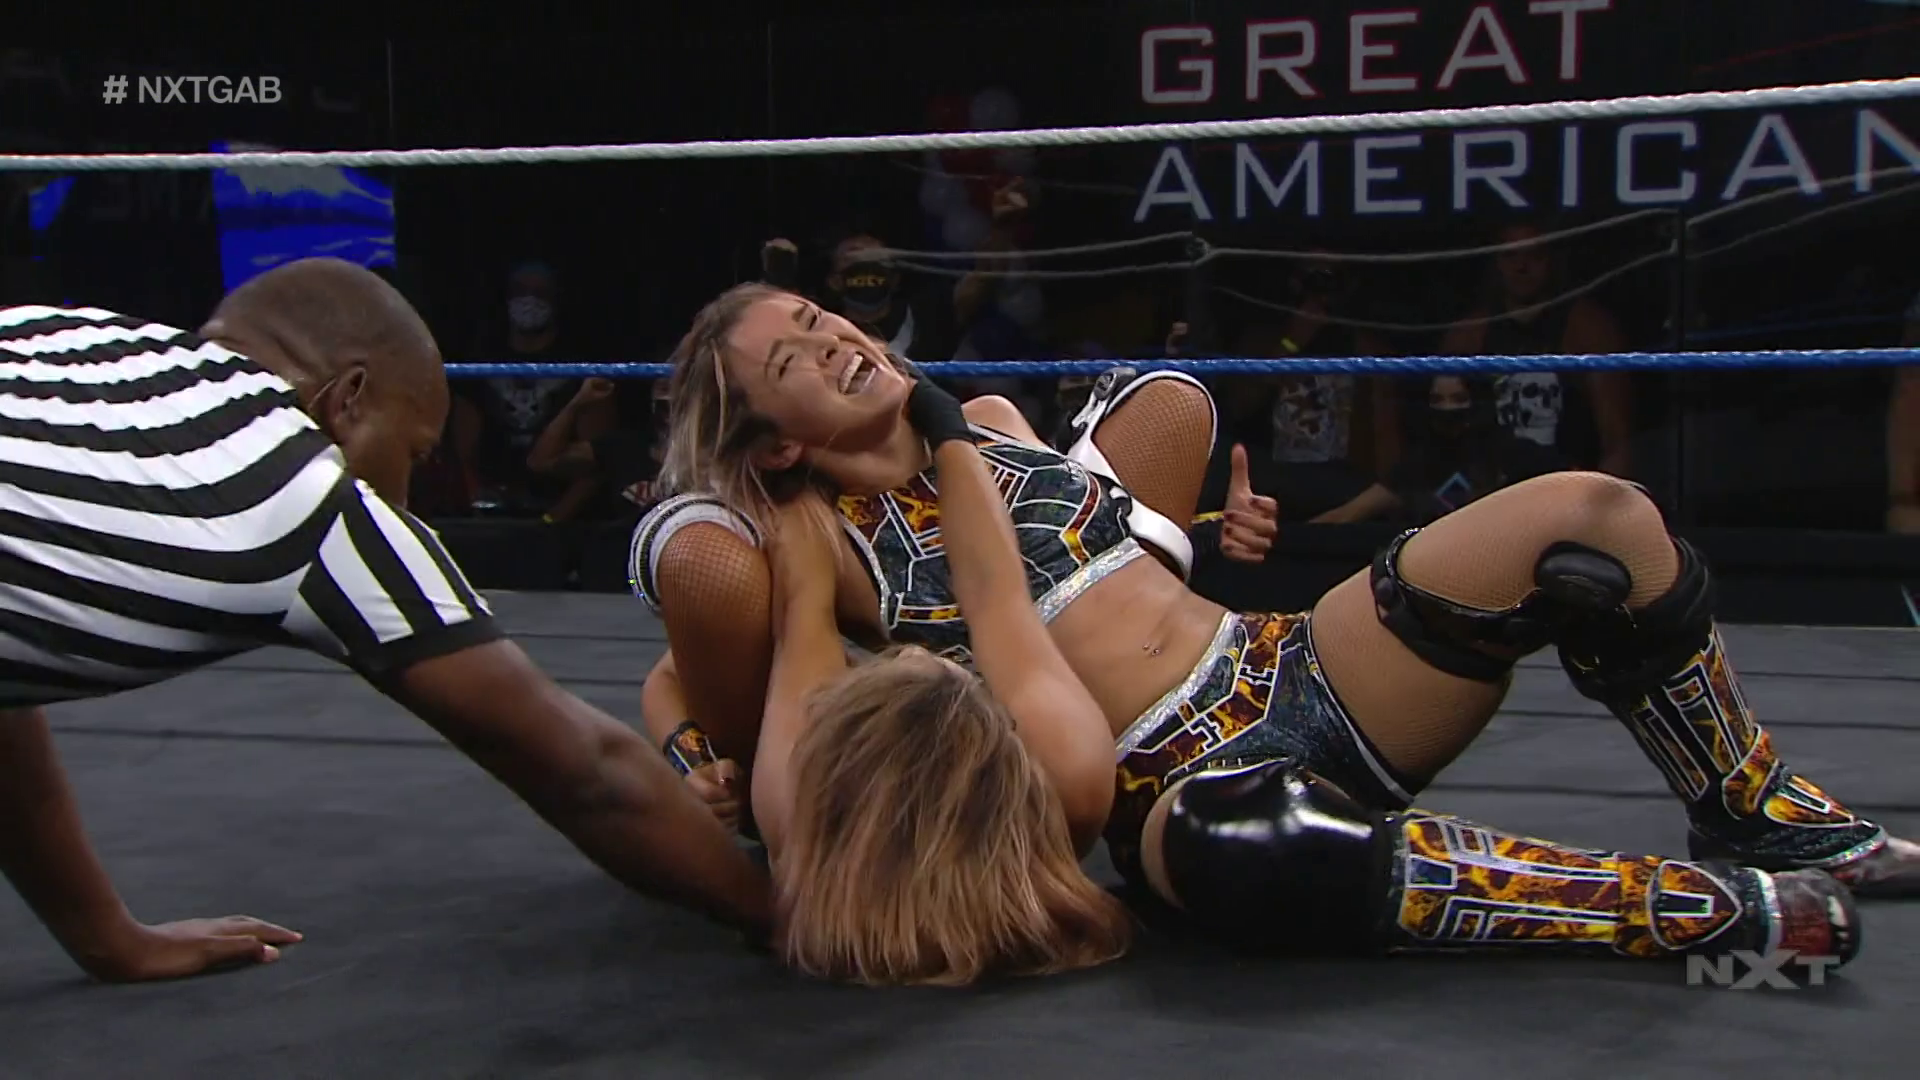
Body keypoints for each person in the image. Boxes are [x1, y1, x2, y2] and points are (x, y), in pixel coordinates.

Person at [630, 282, 1914, 985]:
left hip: (1288, 663)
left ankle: (1753, 811)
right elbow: (685, 670)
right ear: (775, 440)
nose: (835, 342)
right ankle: (1690, 909)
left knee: (1597, 518)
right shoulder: (817, 542)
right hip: (1165, 786)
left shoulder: (1002, 425)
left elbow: (1113, 557)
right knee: (1246, 855)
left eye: (823, 319)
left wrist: (1200, 530)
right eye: (794, 358)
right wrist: (694, 754)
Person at [0, 259, 769, 985]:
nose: (405, 500)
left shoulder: (70, 336)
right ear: (347, 401)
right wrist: (781, 914)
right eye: (414, 453)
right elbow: (588, 772)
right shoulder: (309, 495)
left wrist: (105, 936)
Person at [1313, 375, 1562, 525]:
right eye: (1437, 400)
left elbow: (1569, 485)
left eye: (1458, 399)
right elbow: (1347, 515)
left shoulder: (1509, 453)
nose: (1447, 409)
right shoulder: (1416, 465)